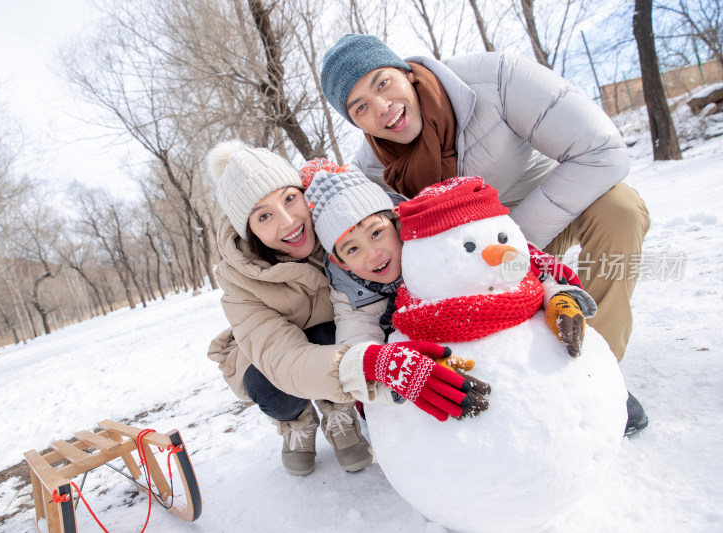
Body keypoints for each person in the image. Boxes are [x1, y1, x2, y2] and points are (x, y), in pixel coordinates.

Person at [319, 34, 650, 435]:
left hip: (543, 214)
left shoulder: (495, 80)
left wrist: (510, 243)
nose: (382, 108)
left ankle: (598, 368)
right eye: (361, 108)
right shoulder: (373, 170)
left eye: (382, 83)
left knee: (621, 210)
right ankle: (502, 378)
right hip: (469, 254)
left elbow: (602, 151)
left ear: (405, 71)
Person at [205, 141, 484, 477]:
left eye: (290, 198)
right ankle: (296, 422)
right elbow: (281, 359)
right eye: (264, 216)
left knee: (340, 334)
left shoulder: (337, 218)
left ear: (303, 193)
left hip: (338, 332)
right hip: (269, 358)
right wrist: (372, 369)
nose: (288, 221)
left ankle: (338, 407)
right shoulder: (238, 278)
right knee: (275, 393)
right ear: (248, 230)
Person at [303, 164, 595, 363]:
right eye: (353, 249)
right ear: (339, 263)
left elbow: (514, 264)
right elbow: (357, 342)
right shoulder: (349, 294)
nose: (373, 254)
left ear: (397, 222)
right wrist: (383, 367)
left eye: (376, 233)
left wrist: (553, 294)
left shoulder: (432, 242)